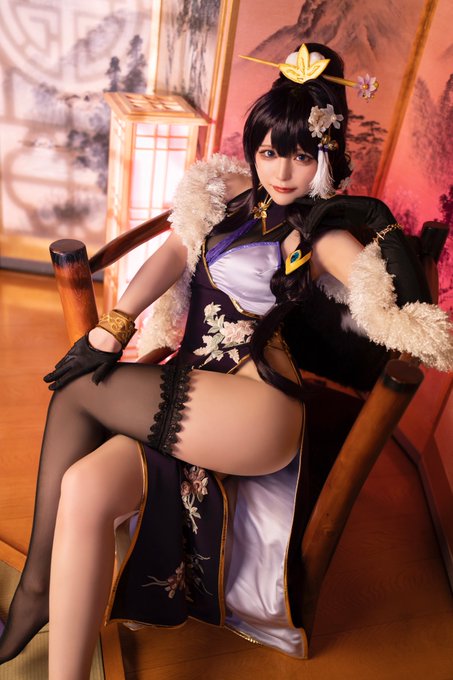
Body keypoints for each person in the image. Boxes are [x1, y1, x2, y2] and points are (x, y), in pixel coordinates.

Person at [1, 42, 452, 678]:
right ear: (253, 149)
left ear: (326, 156)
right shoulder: (231, 195)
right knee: (83, 488)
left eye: (303, 155)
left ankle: (34, 594)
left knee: (76, 391)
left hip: (256, 407)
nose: (283, 171)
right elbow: (175, 253)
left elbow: (394, 306)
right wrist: (115, 324)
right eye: (270, 152)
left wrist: (382, 242)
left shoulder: (324, 231)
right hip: (193, 389)